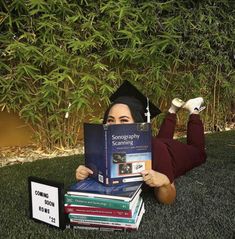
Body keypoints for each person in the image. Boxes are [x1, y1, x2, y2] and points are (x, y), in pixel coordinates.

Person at [75, 81, 207, 204]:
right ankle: (172, 111)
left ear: (138, 123)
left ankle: (193, 110)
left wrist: (165, 182)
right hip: (158, 142)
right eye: (110, 120)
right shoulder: (103, 147)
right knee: (161, 138)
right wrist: (87, 174)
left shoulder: (157, 149)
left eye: (124, 120)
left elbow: (169, 198)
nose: (115, 126)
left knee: (199, 153)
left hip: (172, 153)